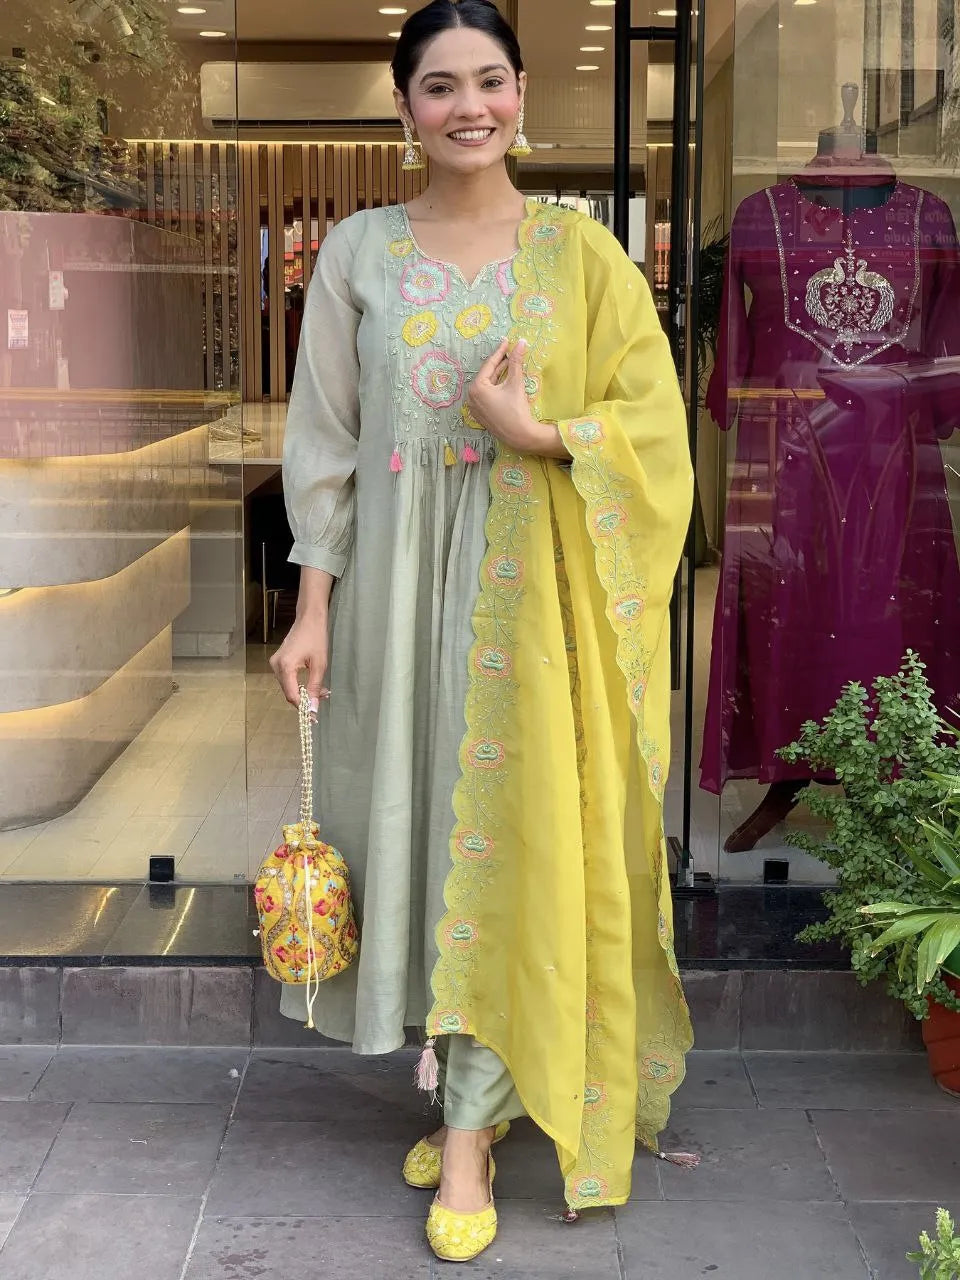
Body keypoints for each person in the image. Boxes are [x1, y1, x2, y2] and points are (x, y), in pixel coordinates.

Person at [270, 0, 696, 1262]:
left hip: (533, 609)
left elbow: (656, 424)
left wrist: (541, 437)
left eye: (493, 81)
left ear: (524, 97)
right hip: (397, 597)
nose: (472, 107)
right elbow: (327, 448)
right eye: (442, 86)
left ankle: (468, 1133)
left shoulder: (581, 254)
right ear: (403, 108)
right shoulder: (354, 252)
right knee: (411, 824)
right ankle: (467, 1072)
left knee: (510, 836)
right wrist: (311, 610)